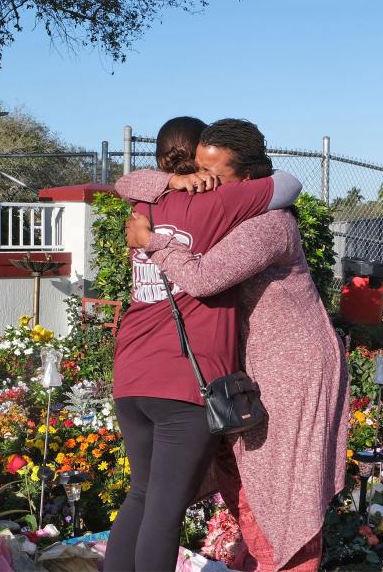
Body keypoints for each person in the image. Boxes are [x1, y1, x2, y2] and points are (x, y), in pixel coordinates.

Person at [119, 118, 350, 572]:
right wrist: (172, 180)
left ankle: (286, 563)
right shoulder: (217, 207)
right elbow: (128, 182)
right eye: (196, 172)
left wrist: (150, 242)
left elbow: (204, 278)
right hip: (246, 370)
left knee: (280, 486)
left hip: (291, 368)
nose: (204, 185)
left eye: (216, 176)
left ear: (248, 179)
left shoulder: (268, 223)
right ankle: (257, 558)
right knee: (242, 480)